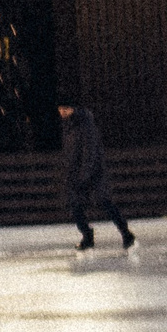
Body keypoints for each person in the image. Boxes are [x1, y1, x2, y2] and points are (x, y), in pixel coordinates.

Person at [57, 103, 133, 252]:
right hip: (75, 174)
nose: (62, 112)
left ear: (74, 108)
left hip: (93, 173)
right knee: (74, 205)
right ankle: (87, 236)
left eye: (65, 109)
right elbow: (70, 151)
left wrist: (84, 174)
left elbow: (90, 152)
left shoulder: (85, 125)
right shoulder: (68, 126)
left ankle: (126, 234)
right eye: (60, 109)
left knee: (104, 202)